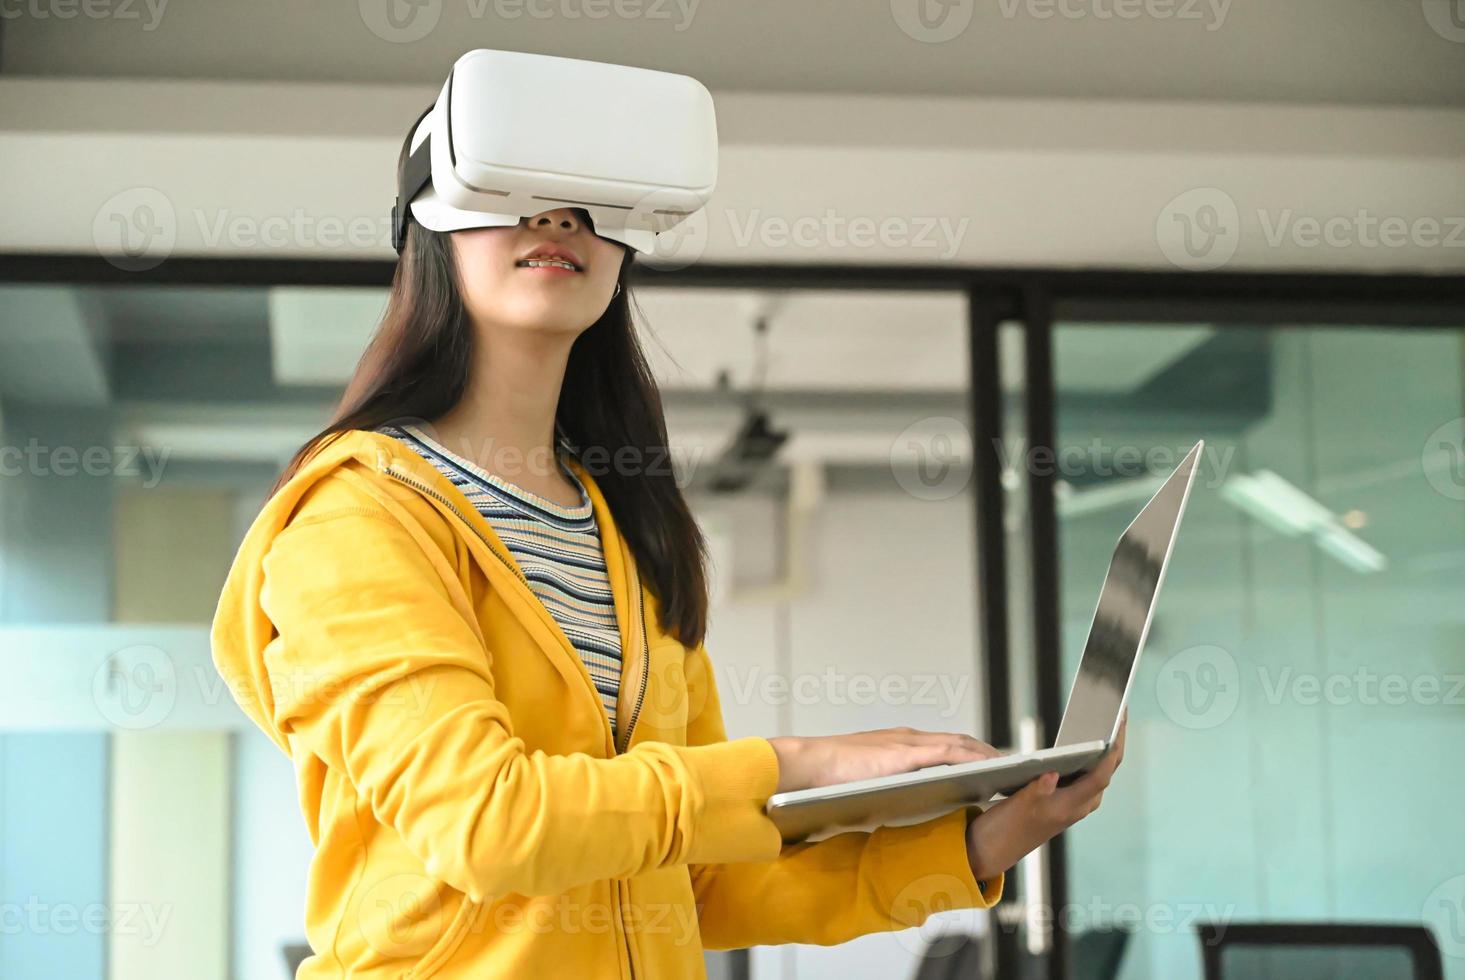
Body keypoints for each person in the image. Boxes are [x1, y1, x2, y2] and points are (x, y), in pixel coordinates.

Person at [210, 109, 1125, 979]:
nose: (560, 216)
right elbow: (484, 822)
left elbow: (701, 880)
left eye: (589, 199)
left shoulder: (629, 529)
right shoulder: (356, 517)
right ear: (427, 228)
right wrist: (808, 763)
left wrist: (975, 844)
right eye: (509, 187)